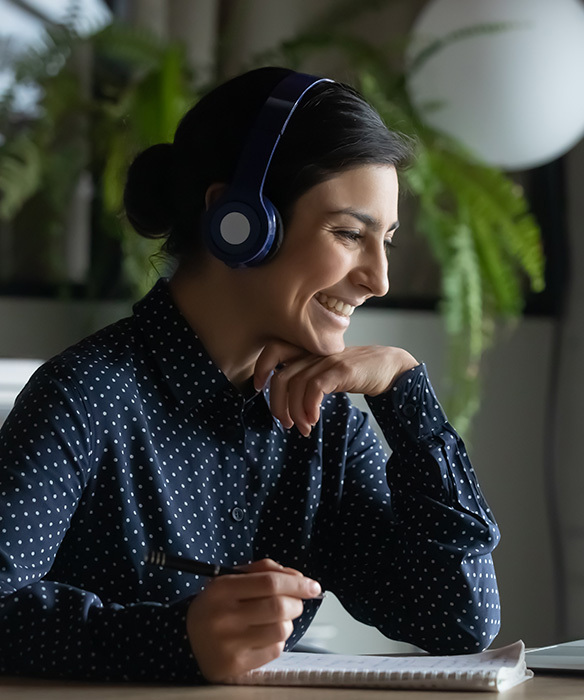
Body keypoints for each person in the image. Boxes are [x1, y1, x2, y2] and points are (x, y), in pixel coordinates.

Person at [0, 67, 501, 683]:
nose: (379, 278)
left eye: (386, 241)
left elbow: (459, 619)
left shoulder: (326, 423)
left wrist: (405, 395)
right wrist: (177, 641)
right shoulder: (85, 396)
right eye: (349, 233)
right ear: (238, 224)